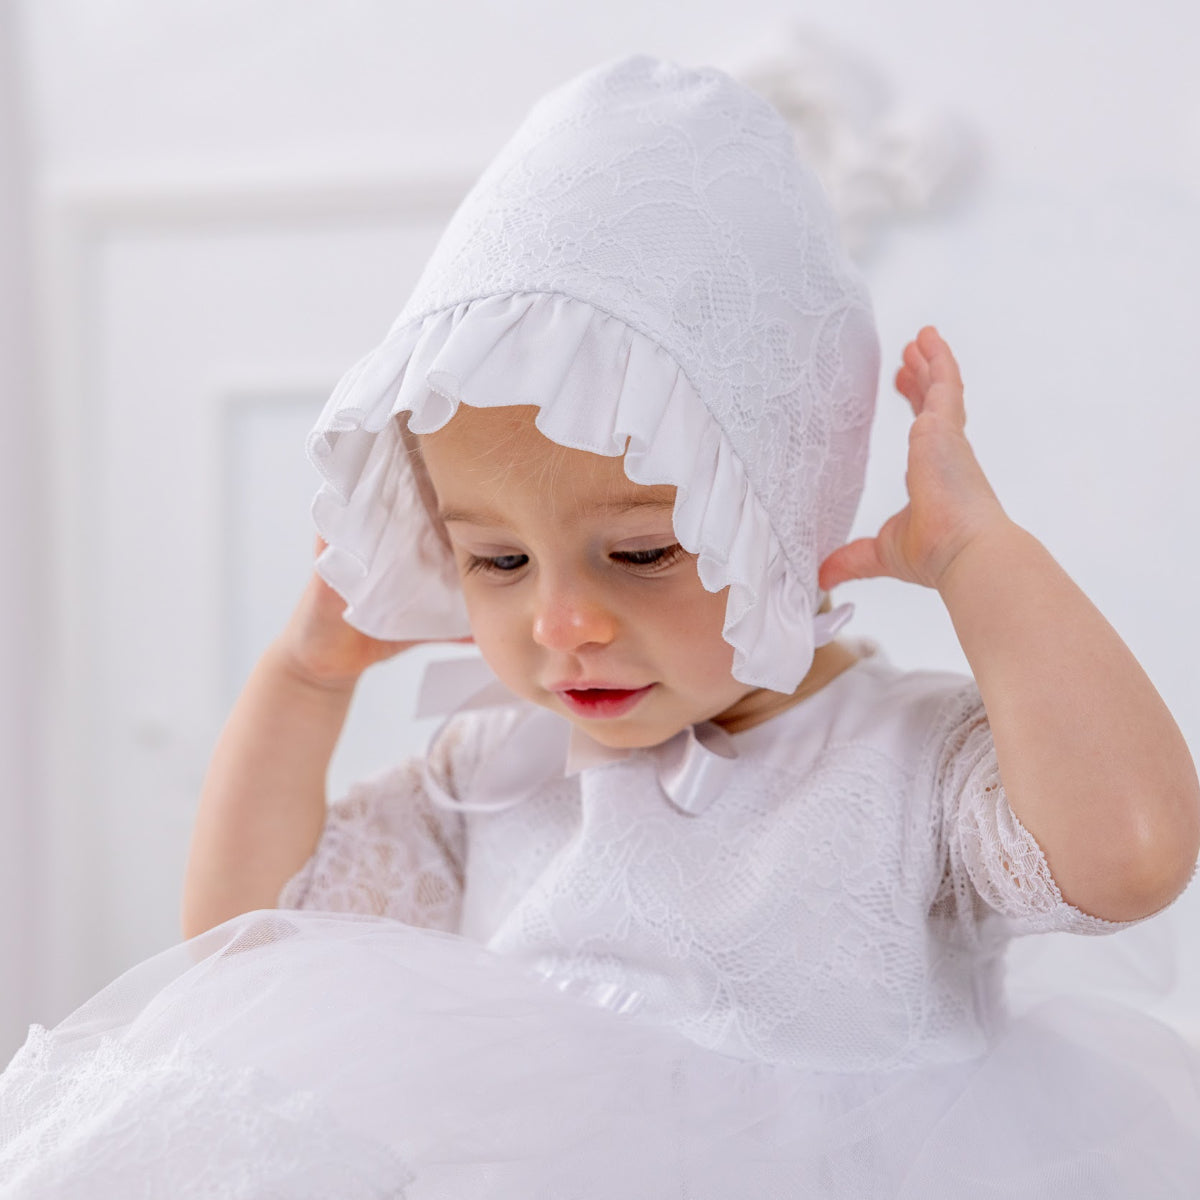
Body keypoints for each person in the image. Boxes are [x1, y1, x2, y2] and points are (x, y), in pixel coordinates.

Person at [3, 53, 1199, 1199]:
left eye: (641, 554)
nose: (563, 619)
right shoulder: (497, 774)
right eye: (497, 559)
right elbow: (241, 945)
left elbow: (1129, 858)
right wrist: (308, 678)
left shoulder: (908, 763)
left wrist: (981, 561)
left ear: (777, 519)